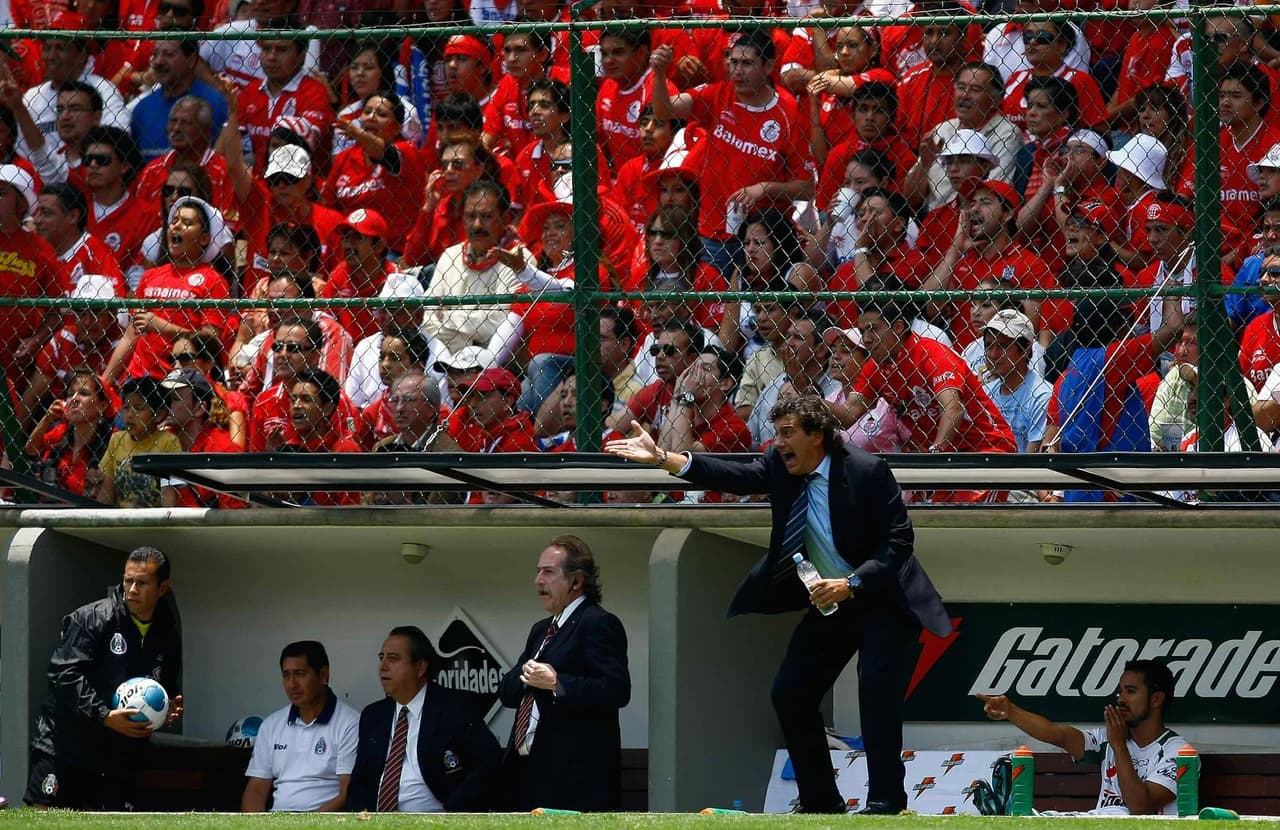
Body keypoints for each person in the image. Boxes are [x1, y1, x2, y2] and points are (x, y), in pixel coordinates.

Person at [605, 395, 950, 814]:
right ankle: (822, 802)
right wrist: (664, 457)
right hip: (830, 603)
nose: (778, 442)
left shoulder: (866, 470)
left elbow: (899, 543)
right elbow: (731, 474)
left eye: (788, 433)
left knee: (875, 688)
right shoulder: (779, 466)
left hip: (883, 598)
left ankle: (886, 801)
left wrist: (851, 582)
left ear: (817, 436)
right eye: (776, 433)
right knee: (790, 693)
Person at [24, 546, 184, 810]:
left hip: (116, 755)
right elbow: (64, 675)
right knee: (46, 821)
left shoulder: (168, 634)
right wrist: (103, 715)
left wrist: (164, 710)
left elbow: (163, 685)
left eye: (142, 583)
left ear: (163, 588)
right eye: (128, 580)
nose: (132, 589)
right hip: (64, 747)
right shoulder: (91, 619)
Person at [499, 535, 631, 812]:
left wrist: (558, 683)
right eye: (537, 572)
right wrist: (525, 673)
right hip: (528, 771)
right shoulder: (541, 630)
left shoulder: (597, 622)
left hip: (575, 779)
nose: (538, 580)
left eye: (548, 572)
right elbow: (508, 694)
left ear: (576, 581)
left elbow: (616, 689)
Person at [976, 659, 1186, 816]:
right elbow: (1056, 734)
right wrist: (1011, 711)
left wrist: (1119, 745)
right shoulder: (1109, 738)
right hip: (1096, 823)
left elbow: (1141, 808)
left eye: (1130, 691)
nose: (1121, 699)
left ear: (1156, 699)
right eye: (1120, 692)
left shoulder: (1177, 752)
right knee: (1054, 819)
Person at [347, 626, 501, 813]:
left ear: (420, 667)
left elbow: (487, 764)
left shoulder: (455, 707)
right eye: (382, 658)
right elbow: (358, 784)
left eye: (393, 659)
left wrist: (452, 816)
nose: (383, 666)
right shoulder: (374, 715)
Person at [241, 640, 360, 813]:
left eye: (300, 674)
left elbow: (347, 793)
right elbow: (256, 789)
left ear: (323, 675)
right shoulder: (271, 724)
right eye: (286, 675)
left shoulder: (349, 723)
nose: (291, 684)